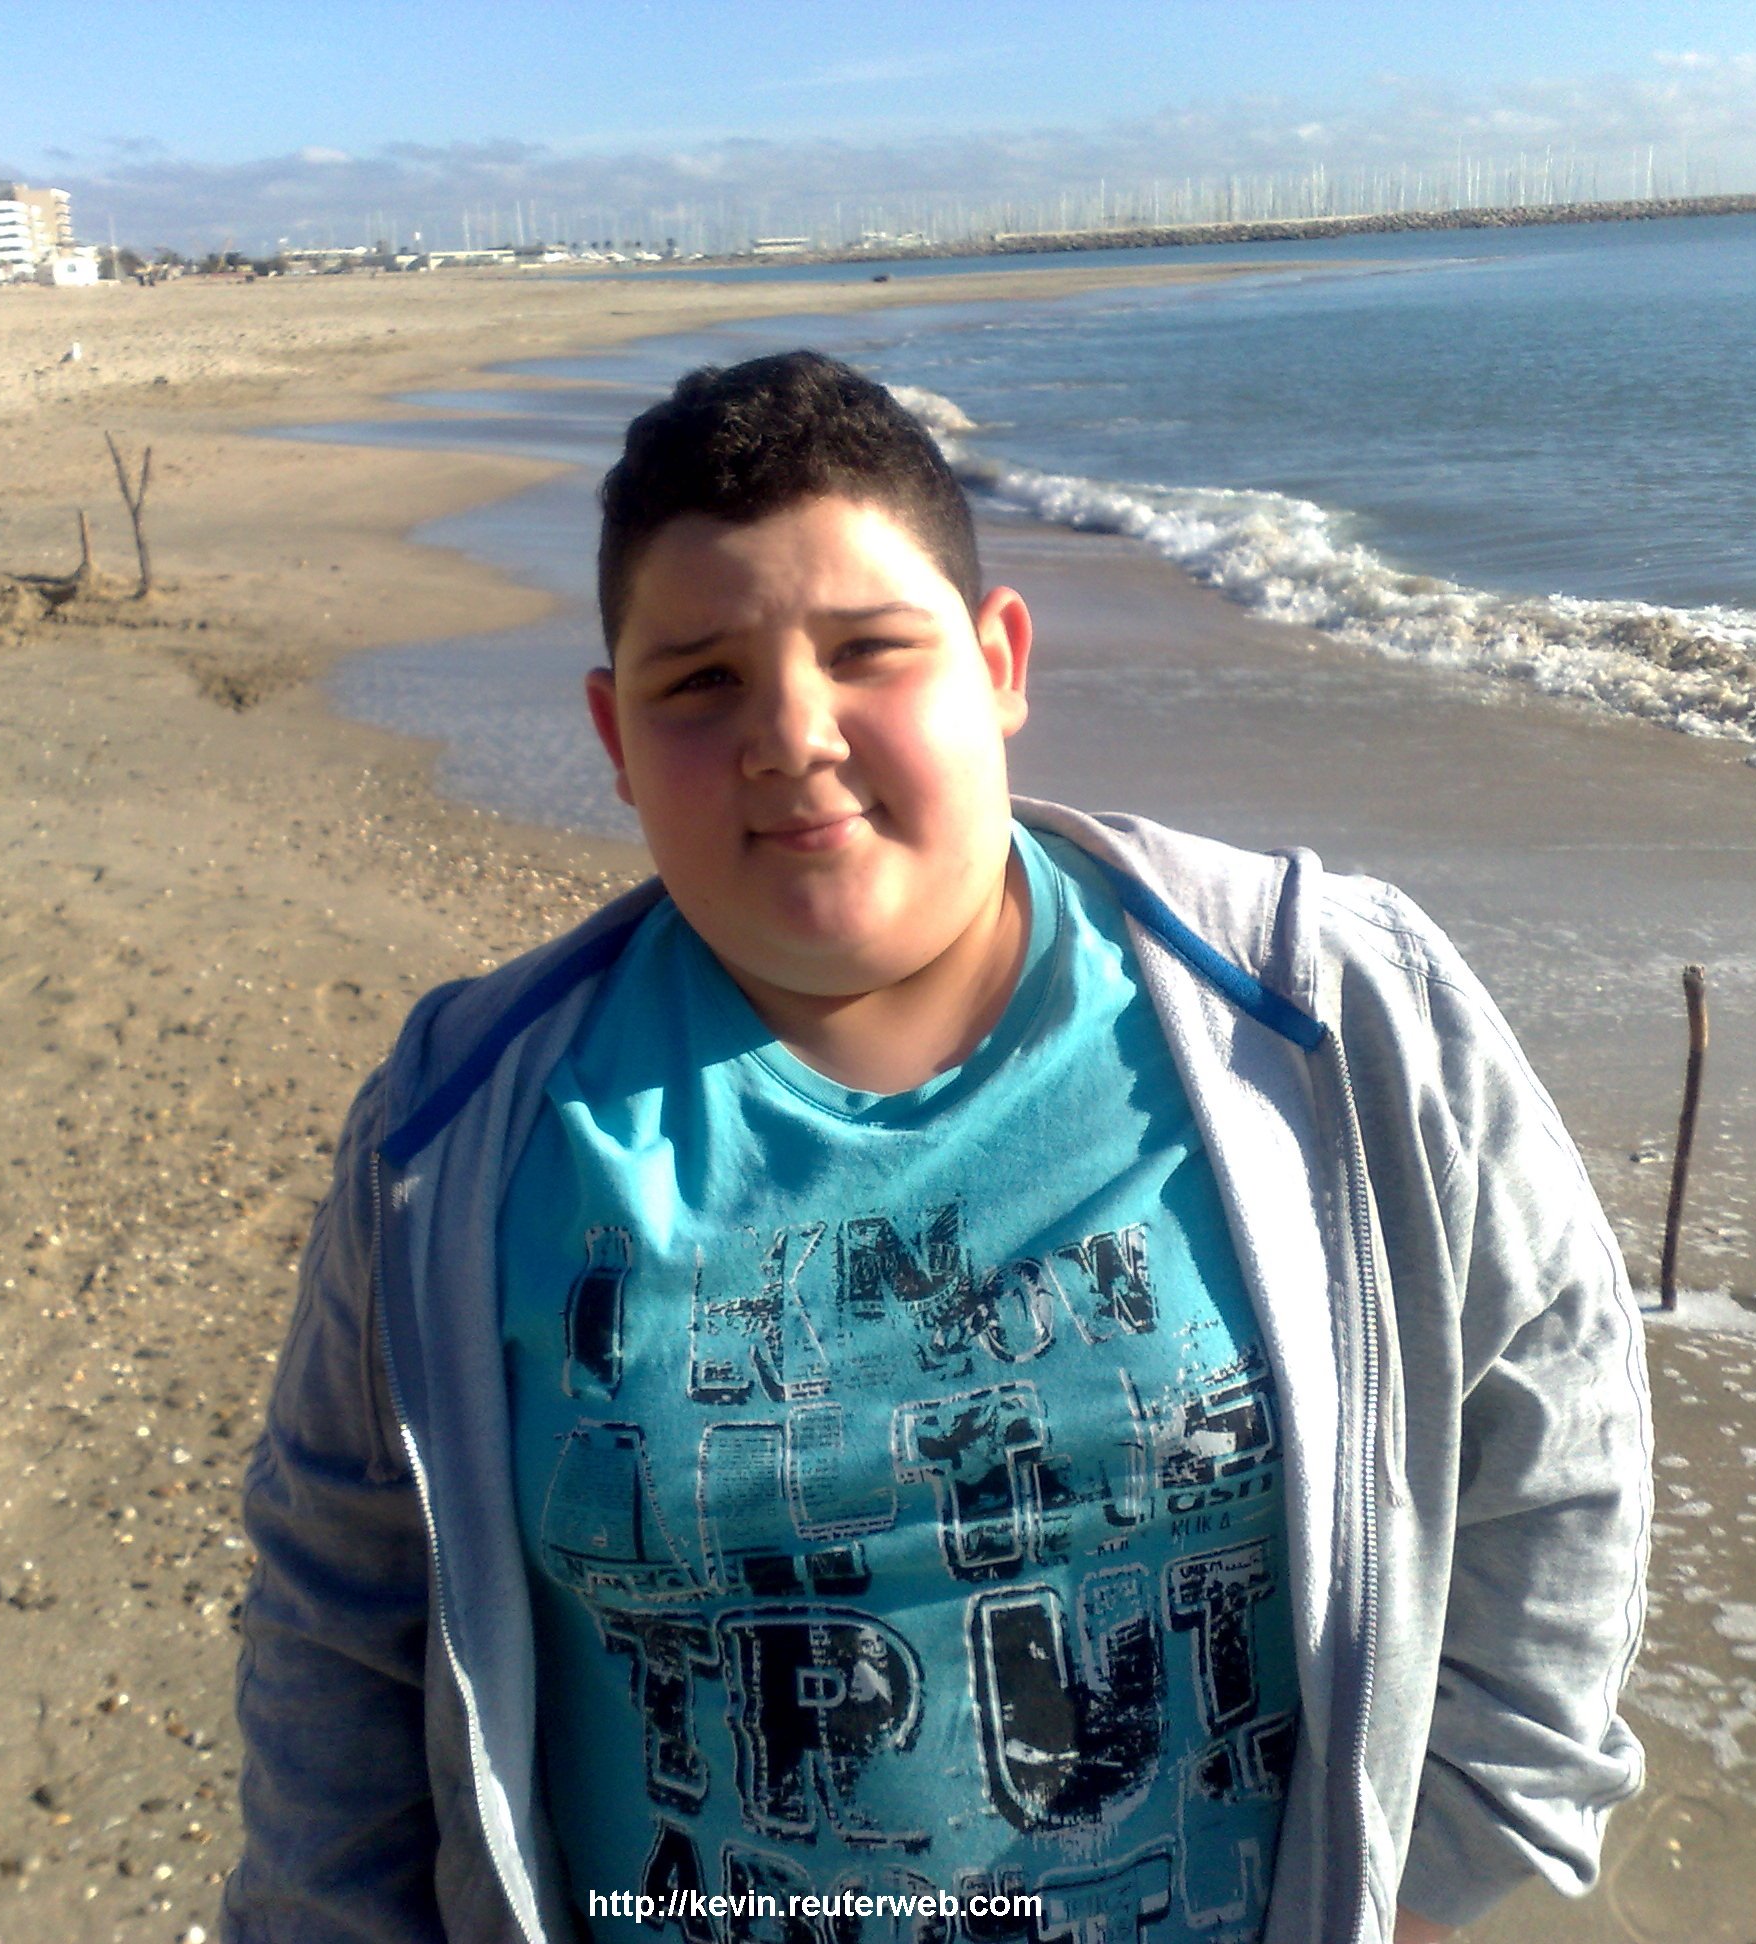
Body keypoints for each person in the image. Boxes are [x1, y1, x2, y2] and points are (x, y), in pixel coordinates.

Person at [224, 351, 1650, 1944]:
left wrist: (1423, 1888)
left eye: (867, 652)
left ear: (999, 661)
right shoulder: (455, 1134)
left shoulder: (1321, 1016)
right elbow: (337, 1622)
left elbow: (1552, 1431)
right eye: (700, 682)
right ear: (614, 734)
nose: (791, 735)